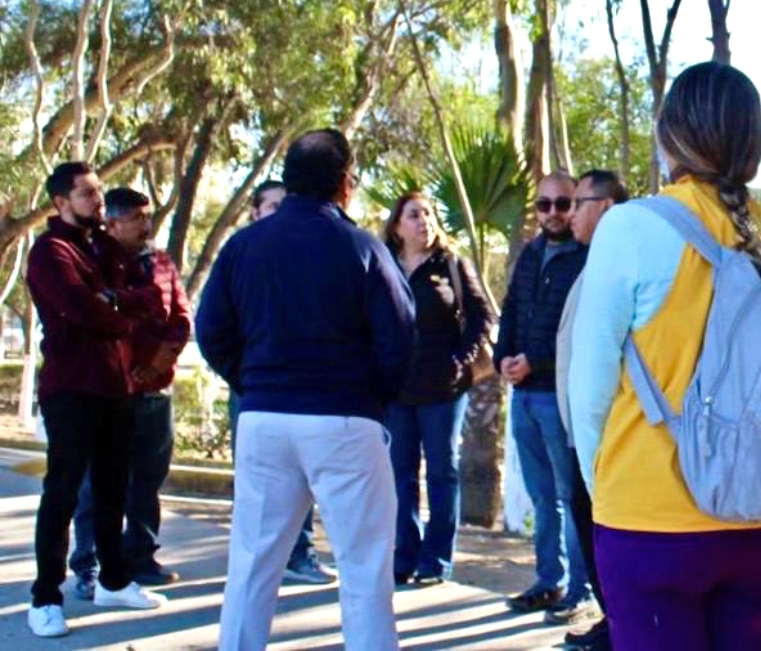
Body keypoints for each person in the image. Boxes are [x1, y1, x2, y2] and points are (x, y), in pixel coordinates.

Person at [568, 62, 761, 650]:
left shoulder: (633, 226)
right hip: (758, 512)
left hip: (651, 515)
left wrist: (604, 487)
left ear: (671, 135)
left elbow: (589, 383)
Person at [197, 129, 416, 650]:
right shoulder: (361, 247)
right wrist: (371, 398)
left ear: (290, 180)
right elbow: (400, 337)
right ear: (344, 183)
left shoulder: (242, 246)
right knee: (364, 570)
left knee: (252, 562)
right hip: (344, 419)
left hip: (264, 415)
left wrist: (253, 381)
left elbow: (210, 331)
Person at [25, 163, 170, 639]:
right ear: (61, 202)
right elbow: (80, 307)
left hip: (117, 387)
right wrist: (117, 308)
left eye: (99, 192)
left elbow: (149, 297)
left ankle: (114, 579)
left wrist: (115, 301)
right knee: (63, 491)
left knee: (114, 488)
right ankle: (46, 596)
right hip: (71, 388)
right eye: (87, 194)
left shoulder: (105, 246)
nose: (98, 201)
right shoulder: (50, 252)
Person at [69, 187, 190, 599]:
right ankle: (89, 565)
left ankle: (140, 555)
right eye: (138, 218)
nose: (147, 225)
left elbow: (180, 317)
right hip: (110, 392)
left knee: (147, 481)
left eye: (148, 216)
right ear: (113, 223)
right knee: (97, 483)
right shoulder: (94, 262)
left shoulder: (161, 263)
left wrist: (159, 360)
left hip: (156, 393)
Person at [224, 178, 335, 586]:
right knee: (257, 487)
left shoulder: (312, 256)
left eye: (283, 205)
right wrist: (245, 377)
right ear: (255, 212)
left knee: (301, 479)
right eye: (271, 206)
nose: (278, 213)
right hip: (255, 392)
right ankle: (254, 564)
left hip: (304, 392)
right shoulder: (240, 253)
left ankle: (300, 553)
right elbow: (216, 326)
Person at [495, 171, 595, 625]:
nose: (553, 212)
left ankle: (580, 589)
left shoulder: (588, 258)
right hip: (523, 396)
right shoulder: (530, 255)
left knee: (571, 496)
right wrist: (503, 359)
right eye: (544, 205)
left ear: (575, 206)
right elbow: (512, 311)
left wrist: (533, 359)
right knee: (542, 497)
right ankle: (547, 580)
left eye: (562, 203)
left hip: (561, 397)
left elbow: (580, 331)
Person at [382, 193, 492, 587]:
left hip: (444, 390)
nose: (423, 221)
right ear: (396, 225)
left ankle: (436, 559)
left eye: (428, 213)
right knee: (400, 475)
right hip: (397, 389)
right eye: (414, 215)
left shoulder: (451, 264)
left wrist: (459, 359)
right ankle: (404, 555)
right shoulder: (383, 265)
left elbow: (483, 317)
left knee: (442, 473)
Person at [557, 169, 630, 651]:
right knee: (587, 530)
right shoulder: (589, 261)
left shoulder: (621, 260)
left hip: (605, 434)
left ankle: (621, 625)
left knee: (603, 534)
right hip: (577, 427)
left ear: (604, 207)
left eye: (577, 202)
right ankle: (613, 620)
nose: (568, 214)